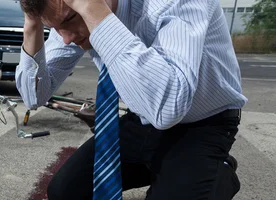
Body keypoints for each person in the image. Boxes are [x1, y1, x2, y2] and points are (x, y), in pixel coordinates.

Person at [15, 0, 247, 199]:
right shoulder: (67, 18)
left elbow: (168, 105)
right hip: (143, 117)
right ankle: (171, 169)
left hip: (203, 123)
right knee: (64, 192)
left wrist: (96, 15)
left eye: (68, 20)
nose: (65, 39)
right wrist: (32, 24)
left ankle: (218, 172)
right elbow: (34, 95)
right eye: (54, 28)